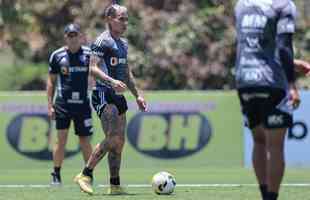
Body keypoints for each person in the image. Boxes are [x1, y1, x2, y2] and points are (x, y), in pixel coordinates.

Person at [74, 4, 147, 195]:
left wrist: (137, 94)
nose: (125, 23)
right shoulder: (102, 41)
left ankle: (114, 185)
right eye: (121, 19)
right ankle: (85, 174)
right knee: (113, 137)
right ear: (109, 19)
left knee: (118, 142)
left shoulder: (123, 43)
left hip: (118, 95)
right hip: (103, 94)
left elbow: (126, 72)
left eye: (126, 19)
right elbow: (92, 68)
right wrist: (111, 81)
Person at [234, 0, 300, 200]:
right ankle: (271, 198)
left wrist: (293, 63)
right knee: (275, 145)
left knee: (259, 141)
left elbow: (252, 45)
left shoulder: (241, 5)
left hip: (245, 80)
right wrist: (292, 84)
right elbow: (283, 46)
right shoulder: (283, 5)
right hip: (271, 82)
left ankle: (264, 195)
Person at [47, 23, 93, 185]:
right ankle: (56, 174)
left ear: (81, 36)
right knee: (61, 139)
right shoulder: (57, 55)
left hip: (83, 104)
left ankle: (89, 174)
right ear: (65, 37)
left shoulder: (89, 54)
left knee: (85, 140)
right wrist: (50, 105)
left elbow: (97, 73)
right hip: (63, 105)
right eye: (70, 35)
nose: (73, 38)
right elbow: (51, 82)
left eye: (76, 35)